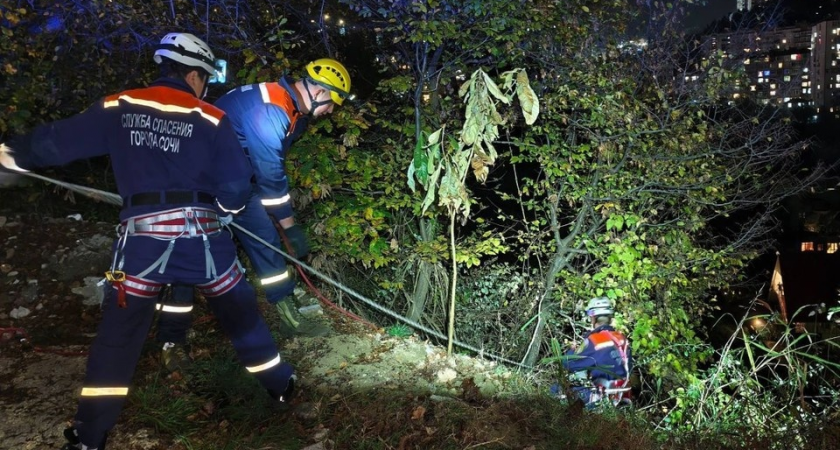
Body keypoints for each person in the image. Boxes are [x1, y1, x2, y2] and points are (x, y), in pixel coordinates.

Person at [0, 32, 297, 450]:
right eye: (205, 79)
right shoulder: (211, 117)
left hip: (141, 245)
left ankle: (89, 437)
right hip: (206, 243)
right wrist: (226, 213)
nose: (206, 87)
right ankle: (281, 386)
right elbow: (235, 186)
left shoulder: (119, 106)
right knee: (242, 315)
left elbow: (58, 141)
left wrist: (10, 155)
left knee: (118, 338)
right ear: (193, 75)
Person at [155, 58, 352, 355]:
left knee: (266, 242)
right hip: (198, 180)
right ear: (319, 91)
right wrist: (290, 226)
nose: (331, 111)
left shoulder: (289, 107)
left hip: (235, 183)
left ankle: (287, 312)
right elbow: (271, 174)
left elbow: (259, 166)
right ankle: (171, 337)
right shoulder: (272, 109)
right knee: (193, 251)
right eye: (332, 102)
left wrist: (277, 221)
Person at [554, 297, 633, 407]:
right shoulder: (622, 339)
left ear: (592, 317)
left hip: (603, 397)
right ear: (610, 317)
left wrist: (572, 350)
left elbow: (569, 364)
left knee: (556, 389)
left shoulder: (594, 341)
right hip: (624, 394)